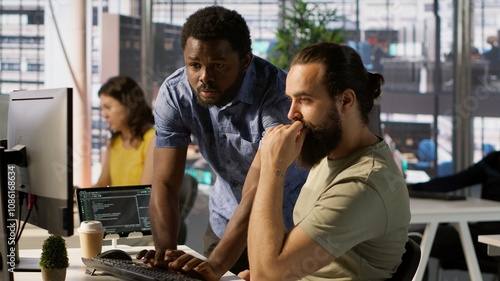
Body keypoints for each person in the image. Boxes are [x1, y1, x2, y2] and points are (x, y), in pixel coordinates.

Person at [137, 5, 308, 279]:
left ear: (245, 61)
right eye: (194, 65)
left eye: (217, 65)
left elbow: (258, 189)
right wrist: (165, 258)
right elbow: (166, 183)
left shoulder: (279, 95)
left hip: (286, 228)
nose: (204, 76)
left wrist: (217, 264)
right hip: (224, 223)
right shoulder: (175, 94)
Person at [241, 42, 410, 280]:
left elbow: (267, 276)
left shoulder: (364, 183)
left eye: (305, 100)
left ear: (346, 101)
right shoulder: (328, 152)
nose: (291, 114)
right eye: (290, 99)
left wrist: (274, 169)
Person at [408, 150, 500, 273]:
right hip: (479, 234)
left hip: (489, 241)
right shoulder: (494, 160)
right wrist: (414, 188)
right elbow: (456, 181)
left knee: (411, 242)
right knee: (412, 241)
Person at [93, 75, 155, 187]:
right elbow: (102, 184)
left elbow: (145, 194)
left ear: (128, 105)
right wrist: (77, 194)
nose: (104, 114)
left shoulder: (152, 140)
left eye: (108, 107)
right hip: (118, 205)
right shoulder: (114, 142)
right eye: (102, 108)